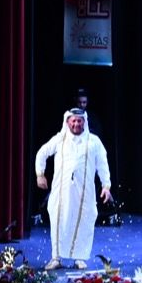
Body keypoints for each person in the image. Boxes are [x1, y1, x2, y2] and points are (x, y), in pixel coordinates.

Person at [35, 108, 112, 270]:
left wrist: (106, 185)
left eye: (79, 121)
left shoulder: (94, 141)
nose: (76, 124)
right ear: (68, 122)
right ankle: (56, 258)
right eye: (73, 121)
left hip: (85, 193)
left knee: (84, 221)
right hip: (61, 192)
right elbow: (42, 153)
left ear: (84, 122)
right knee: (58, 221)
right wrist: (40, 174)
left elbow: (102, 165)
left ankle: (79, 258)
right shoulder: (59, 139)